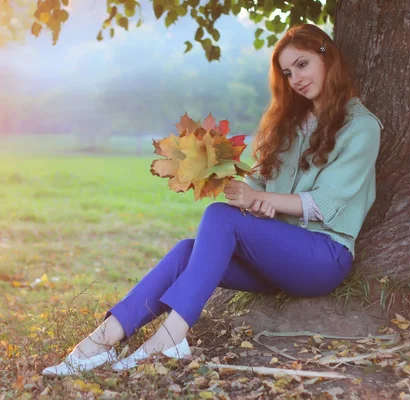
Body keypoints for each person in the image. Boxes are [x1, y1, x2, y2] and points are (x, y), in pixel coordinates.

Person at [42, 23, 383, 376]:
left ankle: (172, 335)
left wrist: (265, 198)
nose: (295, 78)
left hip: (322, 257)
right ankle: (100, 342)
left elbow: (326, 203)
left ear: (327, 57)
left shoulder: (361, 127)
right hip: (278, 257)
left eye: (302, 64)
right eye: (287, 72)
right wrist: (231, 184)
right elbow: (259, 182)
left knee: (220, 217)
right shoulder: (290, 123)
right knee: (187, 251)